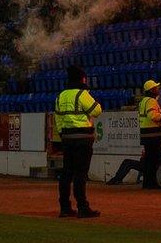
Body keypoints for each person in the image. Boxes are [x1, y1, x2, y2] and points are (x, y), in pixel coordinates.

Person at [54, 65, 102, 218]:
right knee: (80, 174)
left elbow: (58, 118)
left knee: (66, 173)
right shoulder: (82, 94)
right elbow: (97, 111)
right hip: (83, 138)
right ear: (82, 78)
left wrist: (63, 133)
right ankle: (82, 207)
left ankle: (65, 207)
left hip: (67, 138)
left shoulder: (61, 95)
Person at [138, 80, 161, 189]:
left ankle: (148, 183)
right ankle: (151, 183)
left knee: (149, 160)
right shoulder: (151, 101)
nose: (158, 89)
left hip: (146, 134)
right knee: (153, 160)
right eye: (156, 88)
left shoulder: (143, 101)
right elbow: (153, 116)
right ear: (151, 90)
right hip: (153, 135)